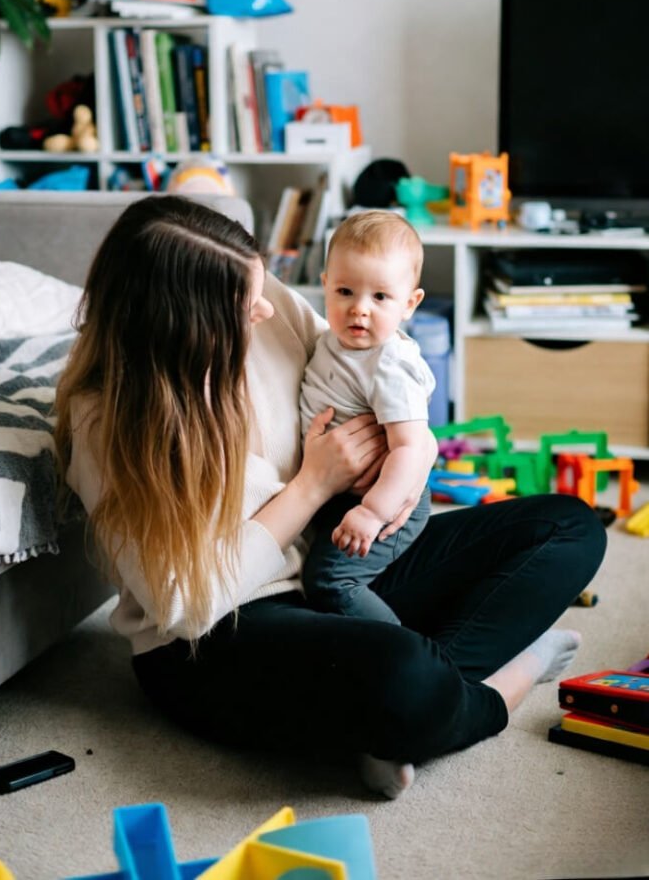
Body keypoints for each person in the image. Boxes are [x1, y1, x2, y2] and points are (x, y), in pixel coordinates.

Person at [55, 194, 606, 801]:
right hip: (218, 636)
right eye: (246, 303)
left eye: (263, 286)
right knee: (405, 676)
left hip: (335, 560)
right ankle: (502, 683)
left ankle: (401, 706)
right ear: (186, 325)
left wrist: (411, 454)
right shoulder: (108, 423)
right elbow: (190, 604)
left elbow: (384, 371)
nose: (268, 307)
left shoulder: (277, 312)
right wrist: (312, 484)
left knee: (569, 527)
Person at [300, 210, 436, 624]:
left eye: (380, 297)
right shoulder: (332, 338)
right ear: (324, 286)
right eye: (345, 291)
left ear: (409, 303)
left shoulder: (390, 365)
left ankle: (404, 655)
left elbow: (411, 448)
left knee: (329, 580)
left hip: (385, 501)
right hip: (340, 493)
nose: (359, 309)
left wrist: (373, 511)